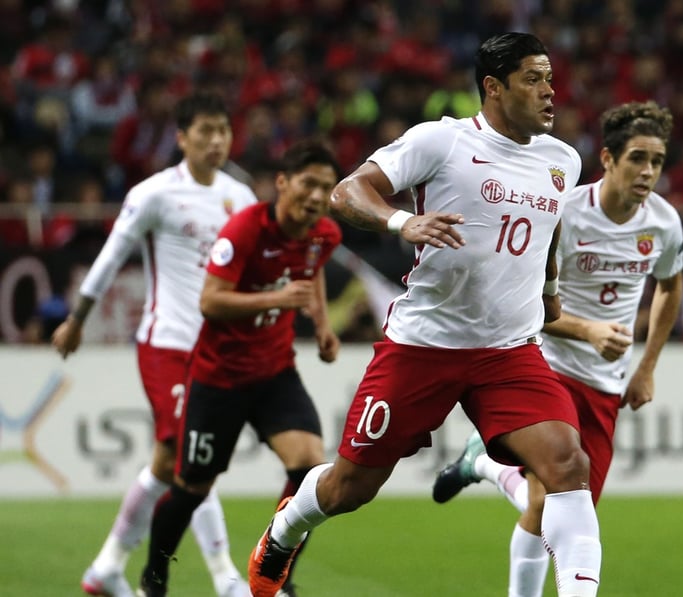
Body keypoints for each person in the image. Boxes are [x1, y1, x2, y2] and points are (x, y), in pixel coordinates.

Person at [246, 32, 604, 597]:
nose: (549, 92)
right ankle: (284, 530)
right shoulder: (441, 141)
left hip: (509, 351)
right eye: (533, 79)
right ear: (493, 86)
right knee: (350, 488)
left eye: (551, 79)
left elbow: (551, 227)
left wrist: (552, 289)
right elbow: (347, 192)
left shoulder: (562, 159)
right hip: (424, 346)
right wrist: (400, 222)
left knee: (567, 464)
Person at [432, 101, 683, 597]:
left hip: (605, 385)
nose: (648, 171)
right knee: (555, 506)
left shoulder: (663, 223)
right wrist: (587, 331)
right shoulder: (564, 213)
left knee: (548, 505)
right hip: (548, 367)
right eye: (637, 158)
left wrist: (647, 368)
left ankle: (481, 465)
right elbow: (525, 299)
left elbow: (671, 287)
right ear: (609, 160)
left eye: (657, 161)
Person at [51, 92, 258, 597]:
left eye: (222, 131)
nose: (215, 141)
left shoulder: (242, 198)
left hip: (217, 351)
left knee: (169, 464)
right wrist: (78, 317)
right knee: (193, 460)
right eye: (204, 131)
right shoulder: (154, 194)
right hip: (165, 343)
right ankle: (226, 578)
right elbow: (111, 254)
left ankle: (106, 567)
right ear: (182, 137)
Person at [136, 139, 343, 597]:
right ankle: (153, 579)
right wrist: (277, 298)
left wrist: (323, 326)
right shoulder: (244, 230)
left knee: (311, 468)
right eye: (308, 183)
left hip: (274, 373)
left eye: (326, 188)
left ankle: (276, 573)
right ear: (283, 183)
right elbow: (209, 301)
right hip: (218, 378)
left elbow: (315, 268)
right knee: (190, 487)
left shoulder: (324, 234)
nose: (315, 196)